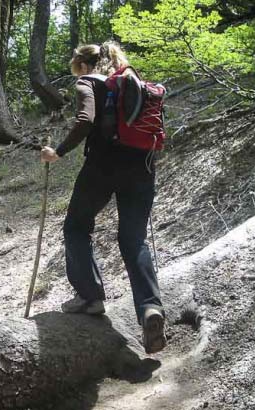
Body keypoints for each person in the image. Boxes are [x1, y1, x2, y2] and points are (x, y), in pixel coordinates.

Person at [40, 42, 167, 354]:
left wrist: (57, 151)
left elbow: (85, 120)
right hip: (143, 165)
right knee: (133, 240)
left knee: (76, 226)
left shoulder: (88, 82)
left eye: (76, 69)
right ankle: (150, 308)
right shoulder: (129, 82)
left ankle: (90, 296)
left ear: (84, 66)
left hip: (104, 165)